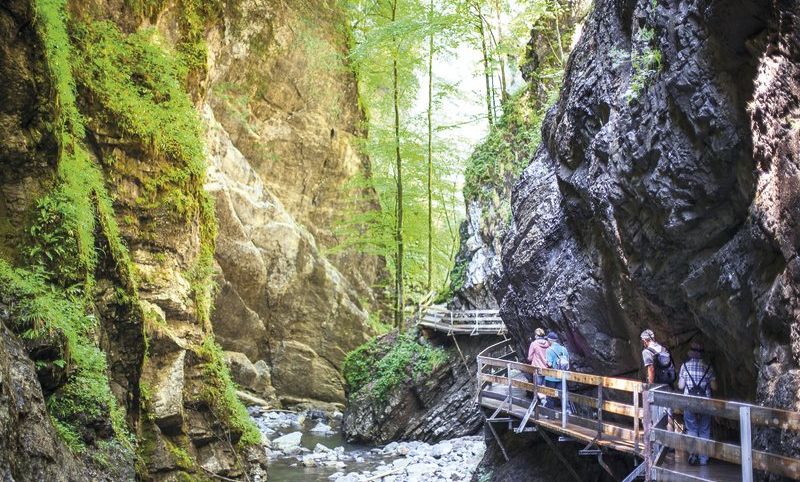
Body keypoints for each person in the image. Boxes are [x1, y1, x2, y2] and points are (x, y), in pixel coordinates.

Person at [678, 342, 717, 466]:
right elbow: (714, 387)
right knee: (705, 430)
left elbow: (681, 386)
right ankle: (704, 459)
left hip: (689, 402)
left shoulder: (684, 366)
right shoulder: (708, 367)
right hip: (705, 402)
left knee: (692, 428)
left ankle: (693, 453)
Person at [641, 329, 676, 431]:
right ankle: (670, 443)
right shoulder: (664, 349)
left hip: (657, 386)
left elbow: (651, 369)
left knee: (657, 416)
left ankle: (658, 443)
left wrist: (650, 386)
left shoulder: (647, 352)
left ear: (644, 341)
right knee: (669, 414)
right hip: (668, 384)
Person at [544, 331, 570, 409]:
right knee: (563, 395)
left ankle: (550, 413)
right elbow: (567, 361)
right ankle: (567, 411)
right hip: (562, 376)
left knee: (550, 396)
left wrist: (546, 362)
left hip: (551, 377)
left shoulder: (549, 350)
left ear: (550, 340)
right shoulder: (563, 349)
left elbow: (550, 364)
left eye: (547, 340)